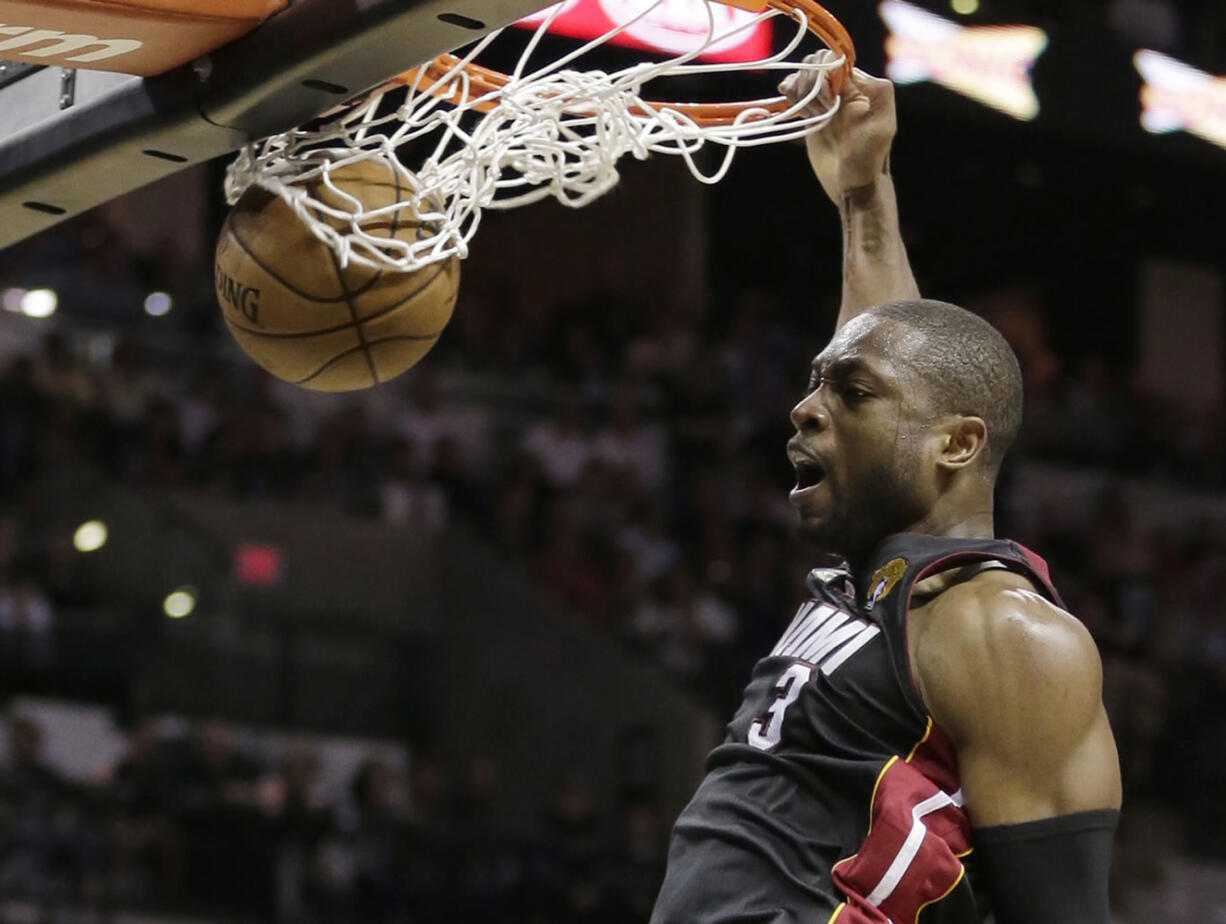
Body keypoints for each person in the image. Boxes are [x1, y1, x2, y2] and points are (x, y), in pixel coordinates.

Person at [650, 59, 1122, 924]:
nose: (804, 408)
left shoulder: (1003, 634)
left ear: (959, 445)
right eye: (815, 384)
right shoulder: (883, 577)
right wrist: (865, 198)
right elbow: (901, 359)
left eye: (846, 396)